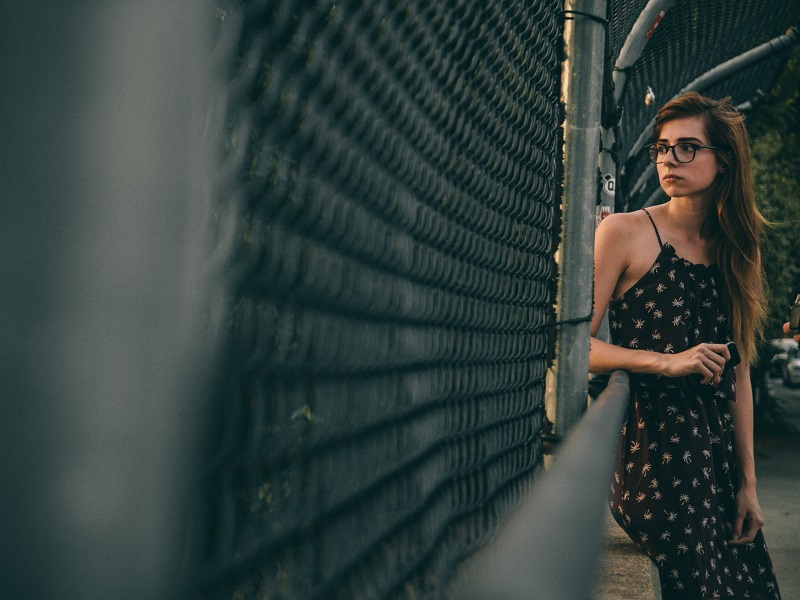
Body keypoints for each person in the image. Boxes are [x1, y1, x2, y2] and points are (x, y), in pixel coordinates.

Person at [590, 92, 780, 599]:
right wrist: (666, 363)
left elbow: (737, 372)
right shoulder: (624, 232)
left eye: (687, 148)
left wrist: (749, 484)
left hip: (716, 462)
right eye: (662, 147)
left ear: (724, 161)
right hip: (655, 455)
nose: (668, 159)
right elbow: (574, 351)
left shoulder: (739, 247)